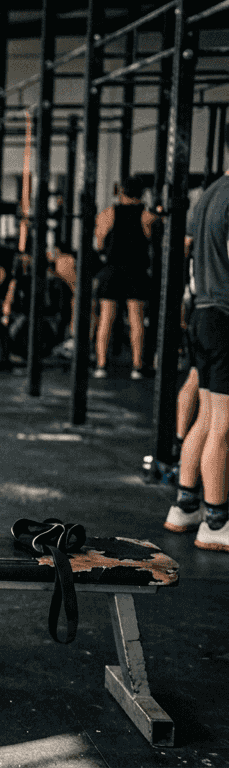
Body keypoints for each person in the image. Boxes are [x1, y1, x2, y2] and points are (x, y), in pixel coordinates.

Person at [168, 170, 229, 551]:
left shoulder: (210, 193)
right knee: (224, 427)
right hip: (224, 316)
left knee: (207, 418)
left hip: (203, 314)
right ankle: (216, 522)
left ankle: (185, 505)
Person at [92, 179, 157, 379]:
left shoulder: (107, 215)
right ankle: (137, 367)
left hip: (112, 270)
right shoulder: (148, 217)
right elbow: (154, 244)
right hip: (135, 272)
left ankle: (101, 365)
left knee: (106, 318)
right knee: (136, 318)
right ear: (141, 194)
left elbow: (99, 244)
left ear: (121, 193)